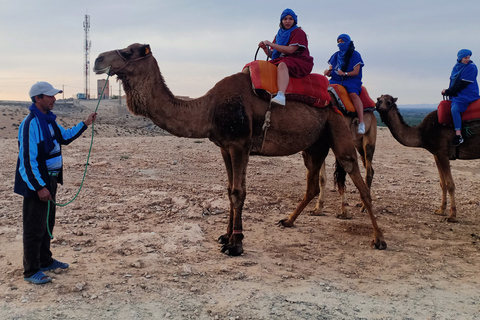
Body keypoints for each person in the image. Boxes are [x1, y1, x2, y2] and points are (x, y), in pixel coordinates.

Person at [15, 81, 97, 284]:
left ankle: (45, 260)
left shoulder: (49, 121)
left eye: (54, 95)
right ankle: (31, 270)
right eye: (50, 96)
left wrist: (85, 123)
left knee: (47, 224)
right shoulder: (30, 124)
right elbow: (27, 161)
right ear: (38, 99)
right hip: (37, 185)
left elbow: (65, 137)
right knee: (34, 227)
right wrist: (40, 187)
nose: (54, 99)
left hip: (50, 181)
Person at [258, 8, 314, 106]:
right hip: (282, 59)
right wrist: (264, 48)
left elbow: (291, 50)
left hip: (300, 61)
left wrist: (271, 44)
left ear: (294, 21)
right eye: (285, 19)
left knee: (282, 65)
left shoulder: (298, 32)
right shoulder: (279, 35)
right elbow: (273, 55)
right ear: (281, 21)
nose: (287, 21)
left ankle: (281, 95)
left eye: (290, 19)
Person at [324, 34, 365, 134]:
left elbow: (356, 71)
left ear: (348, 42)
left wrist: (345, 73)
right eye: (339, 41)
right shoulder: (335, 55)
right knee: (323, 91)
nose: (340, 43)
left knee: (353, 94)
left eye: (342, 41)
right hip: (335, 80)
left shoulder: (355, 55)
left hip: (351, 80)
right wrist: (328, 72)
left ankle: (361, 122)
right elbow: (331, 69)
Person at [442, 49, 480, 146]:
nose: (467, 59)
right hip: (457, 94)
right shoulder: (456, 68)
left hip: (468, 94)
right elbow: (454, 83)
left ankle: (458, 136)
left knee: (455, 109)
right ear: (460, 58)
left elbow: (463, 84)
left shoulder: (471, 67)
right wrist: (448, 91)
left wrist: (448, 92)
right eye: (465, 58)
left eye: (468, 57)